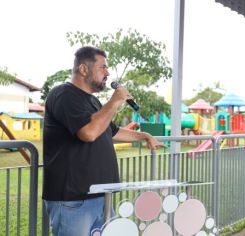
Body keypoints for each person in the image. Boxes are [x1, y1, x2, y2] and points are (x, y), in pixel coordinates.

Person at [42, 46, 165, 236]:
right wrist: (115, 101)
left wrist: (144, 136)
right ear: (83, 69)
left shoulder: (92, 101)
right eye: (103, 67)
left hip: (100, 195)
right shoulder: (64, 94)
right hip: (73, 199)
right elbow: (89, 133)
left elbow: (111, 131)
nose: (108, 73)